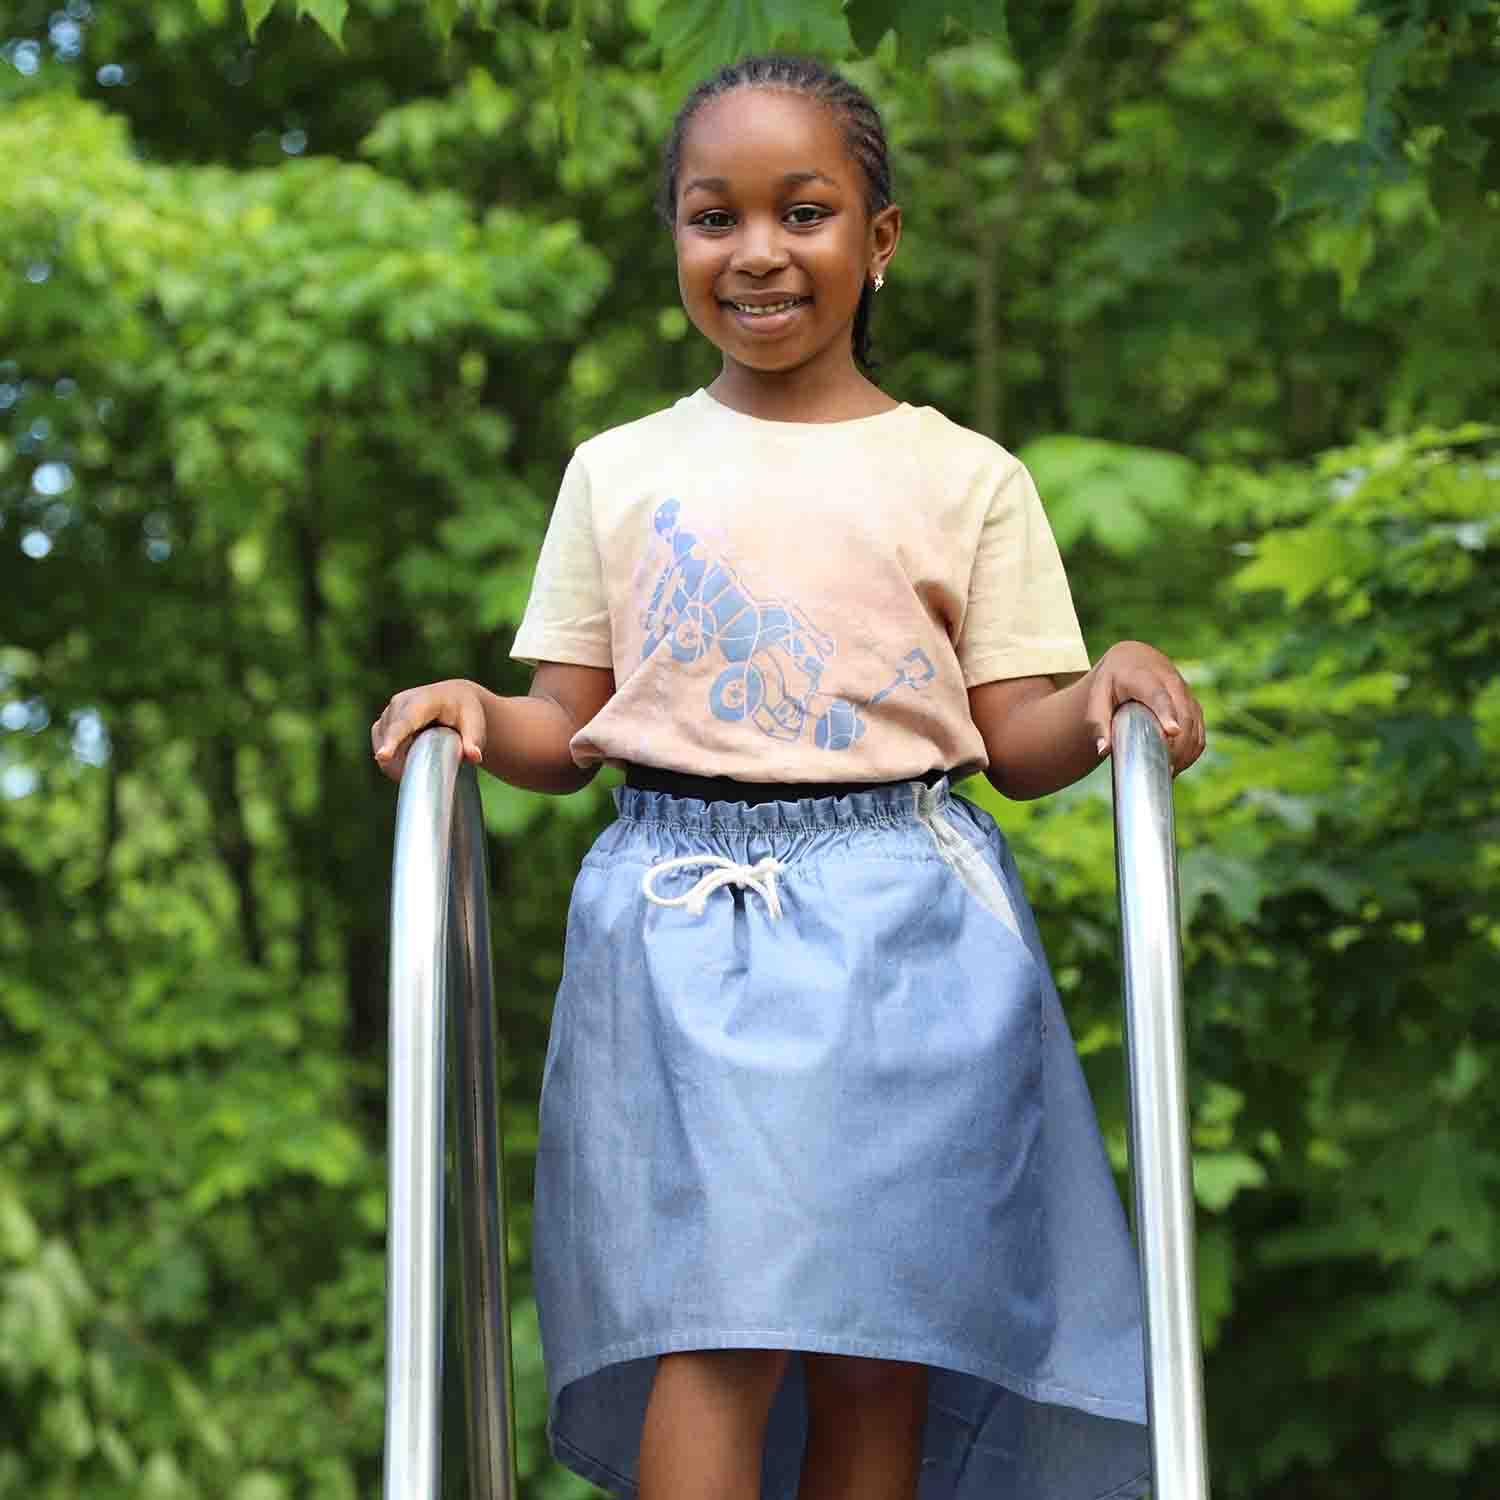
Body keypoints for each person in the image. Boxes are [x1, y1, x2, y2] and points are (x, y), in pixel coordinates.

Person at [371, 52, 1205, 1500]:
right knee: (718, 1329)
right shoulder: (620, 470)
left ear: (879, 240)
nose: (757, 251)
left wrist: (1103, 695)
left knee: (880, 1344)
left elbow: (1014, 741)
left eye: (802, 213)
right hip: (685, 931)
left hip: (903, 933)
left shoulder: (964, 475)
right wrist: (476, 715)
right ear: (676, 241)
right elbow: (568, 724)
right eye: (716, 217)